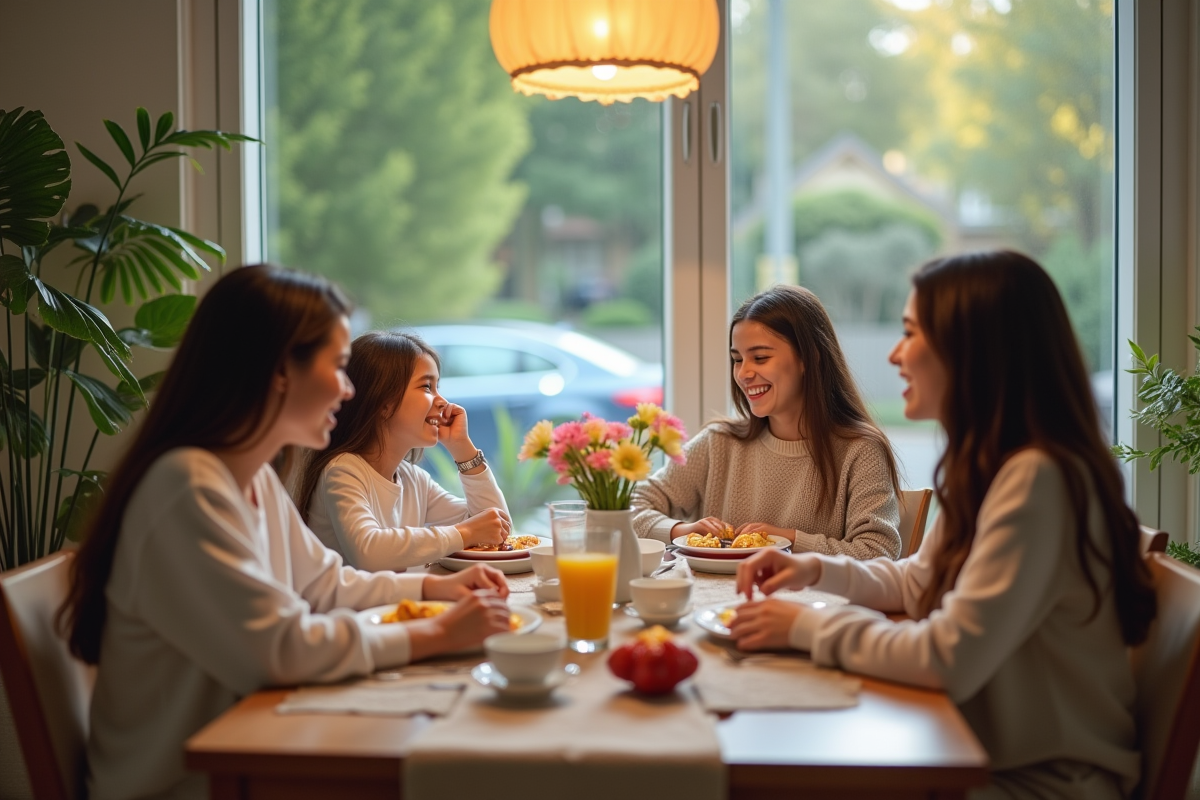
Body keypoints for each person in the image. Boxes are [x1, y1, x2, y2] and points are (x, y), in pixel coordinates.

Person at [59, 266, 513, 800]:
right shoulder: (187, 486)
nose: (348, 389)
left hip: (248, 748)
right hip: (188, 781)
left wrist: (435, 588)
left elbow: (326, 586)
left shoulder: (250, 480)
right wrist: (435, 634)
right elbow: (281, 648)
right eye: (339, 366)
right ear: (280, 371)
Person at [733, 251, 1157, 799]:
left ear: (974, 349)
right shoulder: (994, 466)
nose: (894, 353)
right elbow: (916, 581)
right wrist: (812, 569)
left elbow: (945, 657)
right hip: (980, 751)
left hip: (1043, 780)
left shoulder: (1039, 479)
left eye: (911, 332)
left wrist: (804, 628)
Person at [631, 284, 901, 559]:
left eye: (760, 358)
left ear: (809, 358)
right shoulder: (718, 443)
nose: (744, 373)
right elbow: (631, 507)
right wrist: (681, 531)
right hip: (716, 603)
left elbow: (878, 551)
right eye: (737, 359)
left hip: (808, 603)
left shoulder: (860, 451)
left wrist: (788, 541)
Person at [295, 331, 511, 571]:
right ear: (384, 404)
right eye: (427, 387)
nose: (443, 402)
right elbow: (369, 551)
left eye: (438, 387)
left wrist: (463, 449)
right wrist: (465, 532)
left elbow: (498, 527)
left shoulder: (413, 479)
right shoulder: (343, 471)